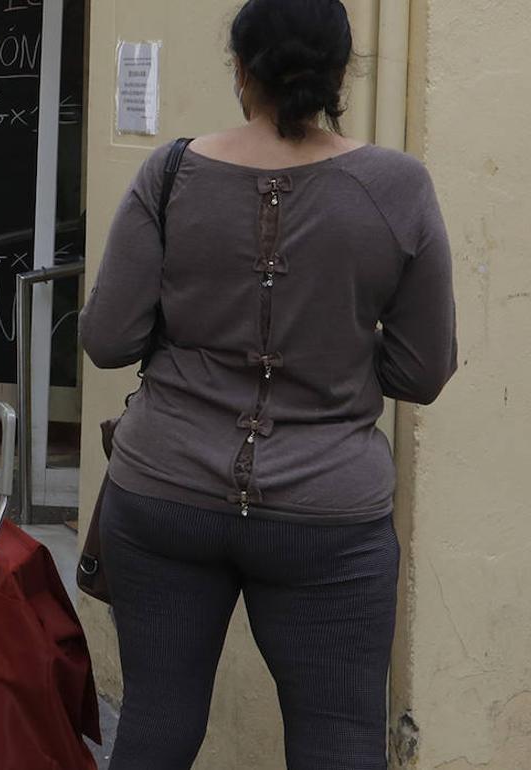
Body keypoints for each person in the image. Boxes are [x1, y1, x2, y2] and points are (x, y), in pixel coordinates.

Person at [78, 1, 457, 768]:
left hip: (164, 494)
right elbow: (423, 368)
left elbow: (107, 338)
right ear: (341, 71)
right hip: (329, 513)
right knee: (339, 741)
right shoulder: (398, 187)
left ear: (241, 68)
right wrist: (336, 367)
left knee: (156, 725)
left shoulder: (172, 172)